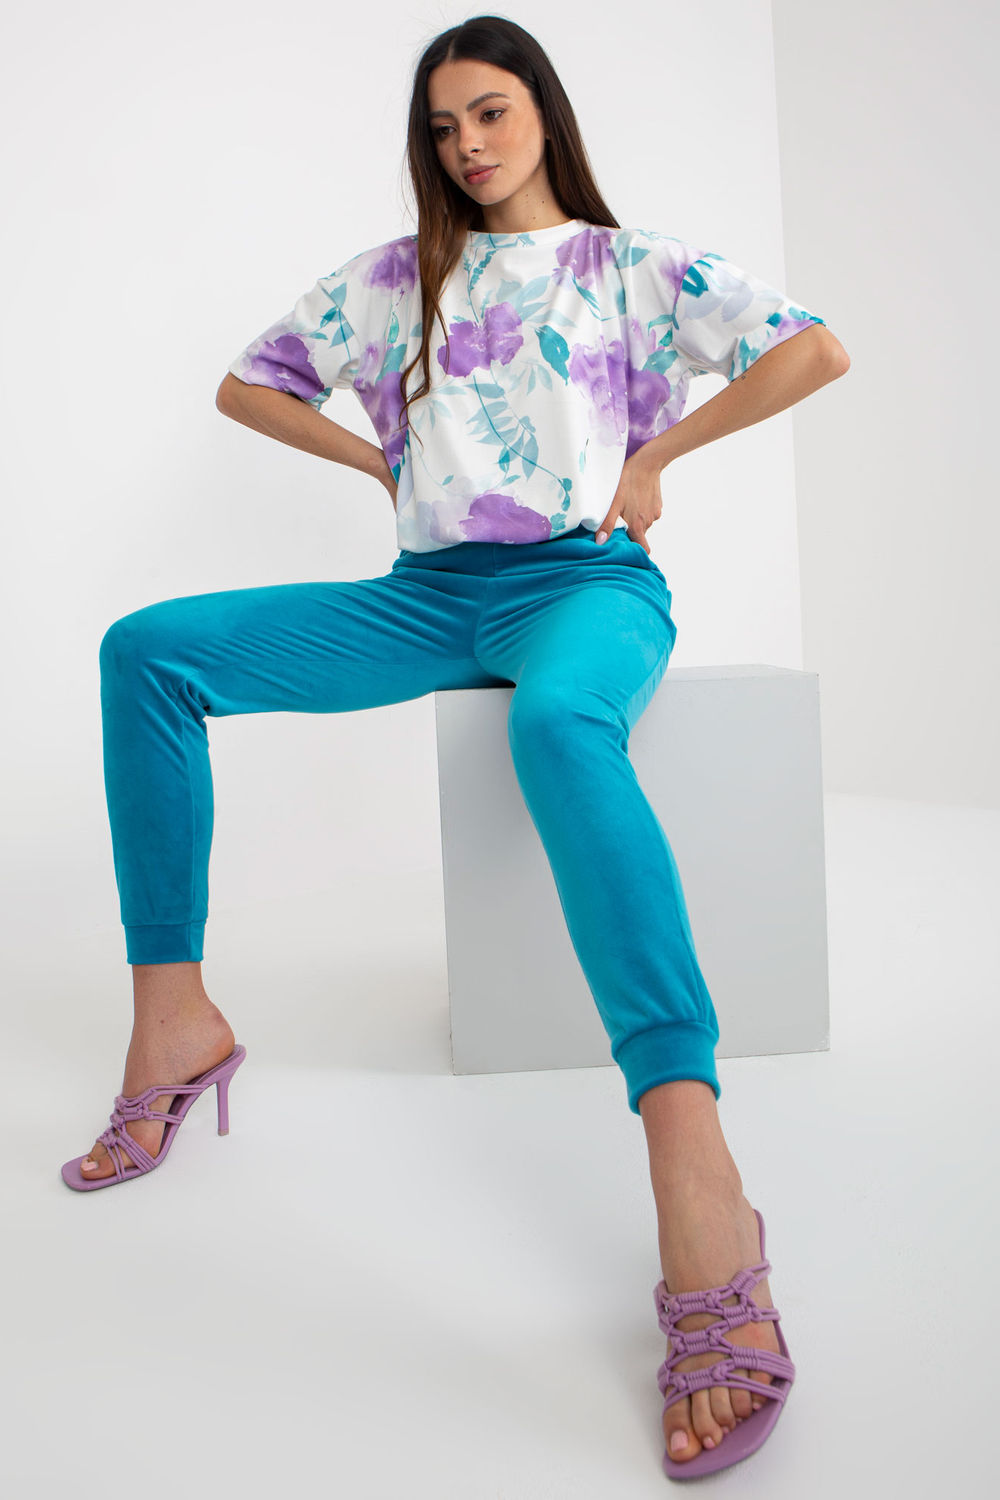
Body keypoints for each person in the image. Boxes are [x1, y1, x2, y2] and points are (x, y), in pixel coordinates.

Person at [61, 12, 849, 1480]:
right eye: (443, 126)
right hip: (427, 598)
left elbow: (814, 350)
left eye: (489, 111)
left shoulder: (627, 265)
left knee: (558, 724)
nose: (468, 144)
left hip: (588, 589)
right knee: (146, 652)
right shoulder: (395, 280)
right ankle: (174, 1022)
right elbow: (249, 382)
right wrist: (381, 457)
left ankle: (694, 1162)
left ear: (542, 110)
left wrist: (656, 456)